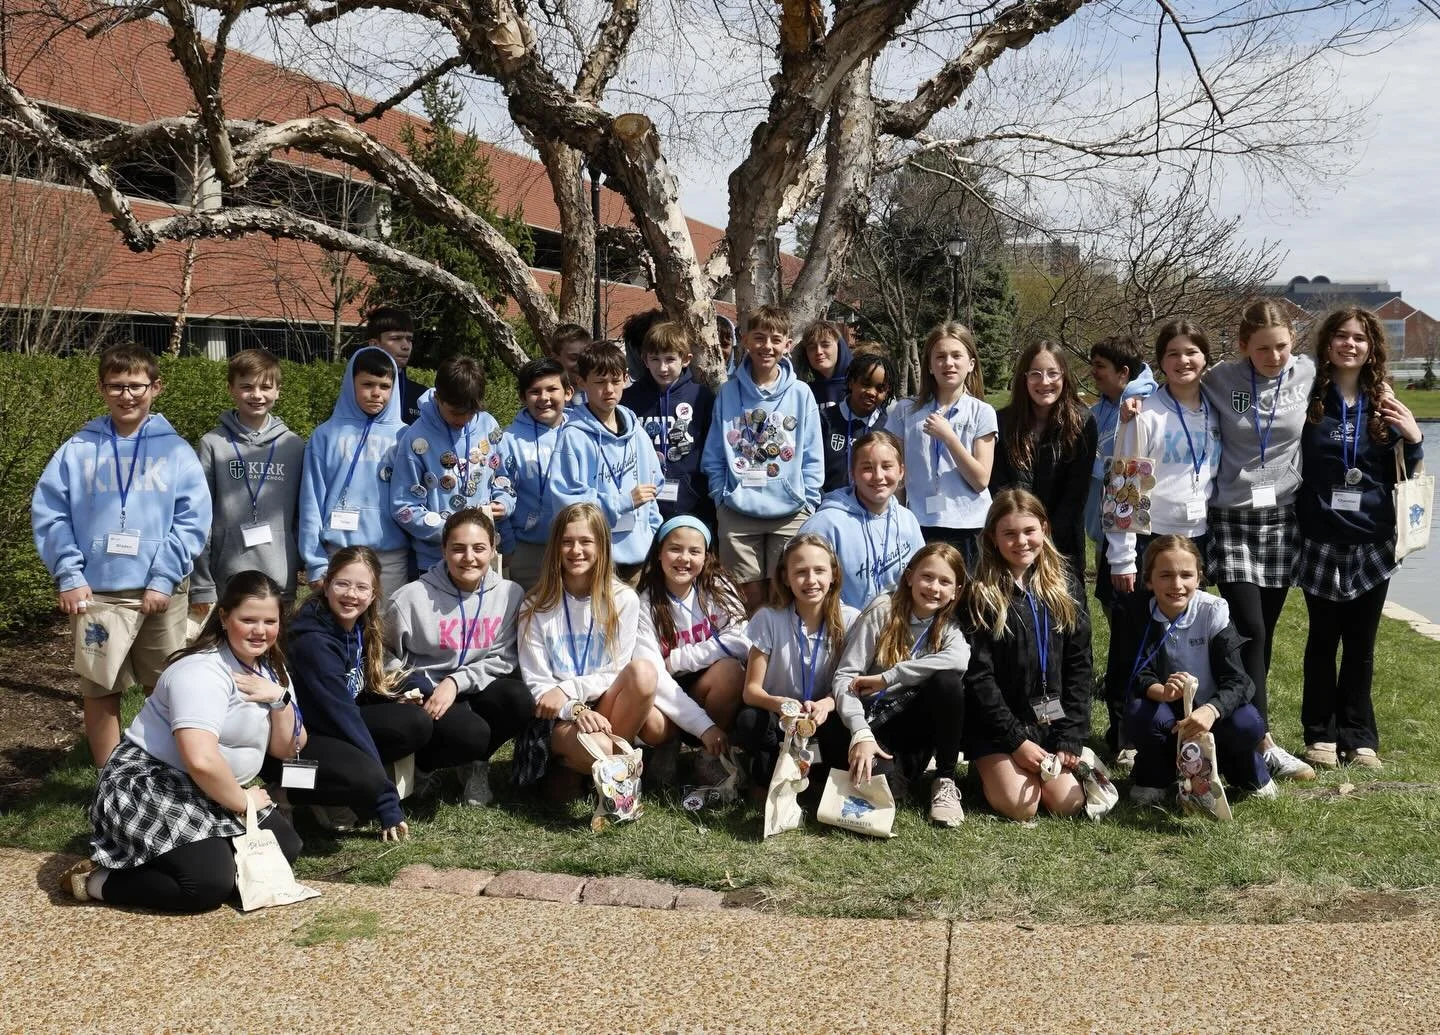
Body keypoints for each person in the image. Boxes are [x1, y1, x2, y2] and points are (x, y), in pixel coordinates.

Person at [60, 571, 303, 912]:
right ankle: (97, 881)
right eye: (248, 619)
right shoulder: (200, 672)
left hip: (210, 786)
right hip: (150, 783)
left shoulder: (272, 670)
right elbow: (200, 760)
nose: (260, 631)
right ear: (224, 617)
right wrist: (243, 802)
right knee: (205, 886)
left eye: (269, 621)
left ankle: (189, 851)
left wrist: (280, 700)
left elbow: (287, 747)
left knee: (284, 849)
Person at [32, 343, 211, 766]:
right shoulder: (78, 449)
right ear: (101, 388)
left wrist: (164, 577)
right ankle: (109, 783)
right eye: (116, 386)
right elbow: (50, 512)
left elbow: (191, 521)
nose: (126, 395)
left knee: (165, 686)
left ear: (156, 387)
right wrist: (69, 575)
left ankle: (165, 774)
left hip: (159, 592)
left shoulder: (176, 451)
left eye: (136, 386)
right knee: (99, 688)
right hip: (98, 593)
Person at [1295, 308, 1423, 770]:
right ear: (1327, 342)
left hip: (1373, 539)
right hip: (1320, 539)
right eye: (1342, 337)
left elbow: (1409, 458)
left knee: (1361, 644)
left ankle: (1360, 736)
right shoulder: (1308, 398)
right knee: (1322, 641)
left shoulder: (1383, 401)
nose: (1350, 345)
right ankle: (1319, 735)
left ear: (1372, 349)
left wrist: (1414, 434)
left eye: (1360, 339)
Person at [1200, 299, 1317, 782]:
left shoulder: (1306, 374)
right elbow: (1172, 374)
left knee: (1261, 636)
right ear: (1243, 344)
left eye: (1282, 347)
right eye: (1263, 348)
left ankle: (1243, 721)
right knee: (1249, 627)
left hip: (1281, 519)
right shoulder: (1222, 379)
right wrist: (1138, 396)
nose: (1274, 357)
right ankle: (1262, 743)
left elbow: (1359, 373)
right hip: (1232, 518)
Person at [1100, 321, 1220, 759]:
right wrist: (1122, 558)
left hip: (1197, 537)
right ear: (1161, 362)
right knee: (1133, 636)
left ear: (1205, 357)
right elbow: (1123, 485)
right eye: (1173, 354)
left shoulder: (1217, 407)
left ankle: (1184, 724)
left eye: (1191, 352)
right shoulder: (1145, 411)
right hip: (1150, 536)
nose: (1183, 361)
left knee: (1183, 637)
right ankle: (1124, 732)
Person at [383, 510, 534, 804]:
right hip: (429, 695)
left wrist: (455, 681)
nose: (469, 557)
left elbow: (504, 657)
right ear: (443, 550)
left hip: (474, 686)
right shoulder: (410, 597)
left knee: (519, 699)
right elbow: (383, 653)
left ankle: (475, 765)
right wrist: (413, 687)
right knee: (470, 734)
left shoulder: (509, 594)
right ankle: (424, 767)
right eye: (458, 548)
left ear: (493, 549)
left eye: (479, 548)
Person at [961, 490, 1090, 821]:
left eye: (1029, 531)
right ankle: (988, 768)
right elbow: (978, 677)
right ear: (992, 537)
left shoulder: (1066, 587)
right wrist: (1015, 741)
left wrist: (1070, 737)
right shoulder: (981, 593)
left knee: (1068, 803)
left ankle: (1038, 766)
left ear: (1044, 529)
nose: (1021, 541)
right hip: (997, 727)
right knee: (1022, 806)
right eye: (1009, 533)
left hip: (1049, 720)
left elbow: (1079, 665)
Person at [1115, 536, 1274, 804]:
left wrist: (1211, 710)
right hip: (1169, 714)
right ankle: (1156, 775)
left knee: (1249, 722)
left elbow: (1240, 681)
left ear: (1199, 579)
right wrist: (1162, 692)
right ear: (1149, 580)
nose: (1176, 585)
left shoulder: (1214, 611)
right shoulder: (1136, 612)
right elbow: (1132, 674)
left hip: (1213, 713)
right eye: (1165, 575)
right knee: (1139, 713)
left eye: (1186, 575)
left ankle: (1243, 770)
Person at [517, 503, 663, 792]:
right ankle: (596, 769)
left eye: (586, 541)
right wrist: (575, 708)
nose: (576, 551)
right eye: (567, 542)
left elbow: (616, 671)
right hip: (557, 715)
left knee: (644, 676)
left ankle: (598, 773)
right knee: (596, 746)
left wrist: (569, 690)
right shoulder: (535, 607)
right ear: (555, 547)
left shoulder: (623, 599)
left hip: (604, 702)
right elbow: (538, 687)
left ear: (602, 547)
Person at [281, 548, 427, 834]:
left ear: (373, 594)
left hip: (330, 728)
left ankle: (343, 789)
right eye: (342, 584)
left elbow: (362, 685)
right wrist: (386, 801)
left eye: (362, 587)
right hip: (294, 748)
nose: (351, 594)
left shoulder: (358, 626)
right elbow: (344, 717)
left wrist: (418, 689)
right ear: (326, 584)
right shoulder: (313, 643)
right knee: (363, 775)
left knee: (414, 723)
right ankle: (285, 795)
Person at [826, 544, 970, 826]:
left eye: (945, 582)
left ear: (956, 591)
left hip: (911, 723)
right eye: (927, 577)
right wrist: (861, 733)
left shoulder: (948, 624)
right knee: (884, 789)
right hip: (872, 720)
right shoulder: (883, 611)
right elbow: (844, 677)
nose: (934, 588)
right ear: (909, 577)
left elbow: (959, 659)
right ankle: (888, 769)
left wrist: (889, 676)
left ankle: (944, 779)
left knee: (948, 682)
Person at [701, 305, 824, 613]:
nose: (766, 346)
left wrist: (808, 500)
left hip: (791, 512)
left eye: (775, 339)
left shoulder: (800, 393)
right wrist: (721, 495)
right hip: (738, 510)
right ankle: (750, 660)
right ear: (745, 340)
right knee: (746, 603)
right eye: (759, 337)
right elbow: (715, 452)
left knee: (788, 598)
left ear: (787, 345)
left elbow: (811, 452)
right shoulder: (728, 392)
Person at [735, 533, 858, 786]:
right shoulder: (768, 618)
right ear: (785, 578)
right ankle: (764, 773)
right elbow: (751, 692)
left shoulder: (851, 620)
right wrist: (779, 704)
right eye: (801, 572)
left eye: (819, 571)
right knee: (749, 720)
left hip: (822, 718)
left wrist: (828, 703)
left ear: (833, 575)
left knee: (845, 723)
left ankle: (821, 773)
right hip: (779, 718)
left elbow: (854, 684)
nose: (811, 580)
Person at [192, 349, 304, 620]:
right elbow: (199, 517)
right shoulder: (213, 444)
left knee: (275, 652)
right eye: (247, 387)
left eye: (266, 387)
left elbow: (303, 516)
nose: (257, 395)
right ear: (231, 389)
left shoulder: (295, 446)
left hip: (279, 575)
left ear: (278, 391)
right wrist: (201, 584)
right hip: (226, 579)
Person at [297, 346, 410, 600]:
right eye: (367, 384)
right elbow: (311, 501)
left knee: (385, 633)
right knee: (341, 632)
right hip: (339, 552)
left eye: (384, 386)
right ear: (351, 383)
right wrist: (315, 562)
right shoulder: (325, 436)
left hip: (391, 558)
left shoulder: (406, 436)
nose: (376, 393)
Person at [884, 321, 996, 573]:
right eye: (940, 357)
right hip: (919, 523)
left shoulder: (982, 412)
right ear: (930, 366)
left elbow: (980, 480)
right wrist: (896, 518)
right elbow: (897, 474)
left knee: (964, 601)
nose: (949, 363)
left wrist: (949, 437)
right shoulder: (905, 411)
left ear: (971, 364)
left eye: (957, 356)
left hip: (969, 526)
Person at [550, 342, 663, 580]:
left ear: (625, 378)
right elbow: (566, 501)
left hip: (639, 555)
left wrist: (651, 532)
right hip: (595, 559)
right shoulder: (573, 436)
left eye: (615, 380)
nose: (609, 389)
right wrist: (621, 502)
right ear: (581, 382)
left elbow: (653, 486)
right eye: (600, 383)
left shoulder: (637, 431)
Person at [636, 515, 749, 751]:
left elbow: (742, 640)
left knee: (731, 671)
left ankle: (705, 753)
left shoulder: (717, 586)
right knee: (651, 721)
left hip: (704, 685)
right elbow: (656, 675)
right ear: (659, 553)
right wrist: (702, 726)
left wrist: (679, 660)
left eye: (694, 551)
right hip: (667, 692)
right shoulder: (644, 602)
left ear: (706, 556)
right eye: (675, 549)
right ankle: (668, 749)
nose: (684, 558)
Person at [391, 356, 512, 571]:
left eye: (470, 412)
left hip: (482, 556)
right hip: (435, 561)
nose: (464, 419)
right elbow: (404, 506)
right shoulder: (416, 438)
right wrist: (452, 531)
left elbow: (504, 477)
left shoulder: (488, 424)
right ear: (438, 398)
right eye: (455, 412)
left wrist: (504, 502)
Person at [991, 341, 1098, 585]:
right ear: (1024, 377)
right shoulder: (1003, 422)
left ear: (1064, 376)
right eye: (1036, 374)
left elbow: (1076, 493)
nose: (1044, 382)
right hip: (1013, 541)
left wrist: (1045, 539)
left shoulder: (1082, 423)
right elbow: (999, 486)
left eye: (1053, 373)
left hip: (1062, 542)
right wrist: (1021, 535)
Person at [799, 430, 924, 610]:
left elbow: (921, 577)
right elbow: (805, 586)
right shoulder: (825, 524)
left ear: (901, 471)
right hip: (845, 630)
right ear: (853, 474)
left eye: (887, 466)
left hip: (898, 628)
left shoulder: (907, 519)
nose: (878, 476)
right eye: (867, 468)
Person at [1086, 333, 1157, 611]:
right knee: (1109, 602)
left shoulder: (1140, 408)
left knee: (1130, 610)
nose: (1093, 372)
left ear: (1124, 372)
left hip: (1132, 530)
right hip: (1101, 530)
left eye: (1100, 365)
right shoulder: (1098, 410)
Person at [622, 320, 716, 528]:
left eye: (670, 359)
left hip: (690, 504)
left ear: (685, 359)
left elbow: (712, 450)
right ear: (645, 360)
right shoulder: (628, 400)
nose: (662, 367)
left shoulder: (701, 397)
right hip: (641, 504)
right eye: (655, 359)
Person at [496, 357, 573, 589]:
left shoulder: (581, 434)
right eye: (535, 391)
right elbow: (500, 492)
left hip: (574, 545)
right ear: (522, 397)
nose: (544, 398)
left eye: (552, 389)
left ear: (568, 393)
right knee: (530, 616)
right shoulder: (508, 439)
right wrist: (509, 546)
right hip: (527, 549)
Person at [818, 352, 895, 493]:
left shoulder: (889, 427)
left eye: (880, 388)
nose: (872, 392)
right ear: (852, 381)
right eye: (866, 384)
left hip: (872, 508)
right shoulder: (825, 420)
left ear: (887, 392)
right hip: (829, 507)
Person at [364, 307, 423, 425]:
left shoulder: (423, 398)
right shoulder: (357, 394)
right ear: (374, 344)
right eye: (396, 338)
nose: (406, 346)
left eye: (409, 339)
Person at [796, 320, 854, 407]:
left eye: (825, 345)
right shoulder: (805, 392)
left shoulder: (856, 387)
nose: (818, 351)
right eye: (812, 347)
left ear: (839, 346)